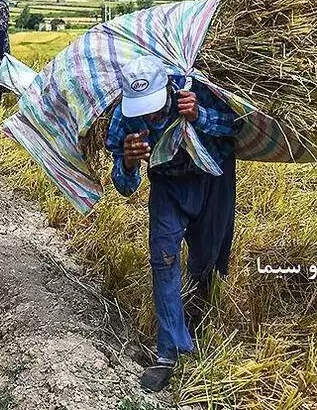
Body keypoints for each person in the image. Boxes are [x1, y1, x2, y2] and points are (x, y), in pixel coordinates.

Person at [105, 55, 241, 393]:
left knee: (206, 259)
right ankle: (168, 352)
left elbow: (235, 127)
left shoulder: (194, 89)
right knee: (163, 260)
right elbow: (123, 186)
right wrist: (130, 163)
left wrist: (199, 115)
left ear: (168, 87)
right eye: (143, 110)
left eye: (154, 107)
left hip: (213, 177)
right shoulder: (125, 120)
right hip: (167, 186)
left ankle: (200, 315)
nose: (150, 116)